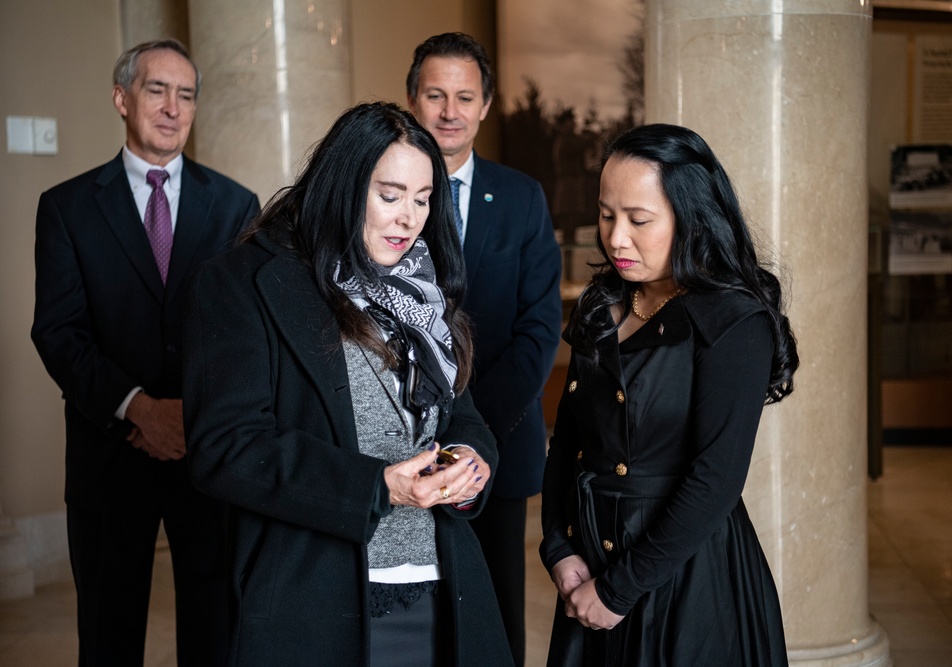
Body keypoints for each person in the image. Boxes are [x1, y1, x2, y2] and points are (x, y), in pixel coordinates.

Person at [182, 101, 514, 667]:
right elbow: (226, 448)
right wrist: (378, 487)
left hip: (443, 587)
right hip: (317, 598)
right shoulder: (241, 282)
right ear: (342, 187)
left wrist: (469, 459)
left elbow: (461, 415)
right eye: (390, 195)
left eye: (423, 199)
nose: (409, 218)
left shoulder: (422, 292)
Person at [30, 39, 259, 666]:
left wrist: (192, 414)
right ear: (121, 99)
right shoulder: (67, 208)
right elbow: (58, 332)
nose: (172, 107)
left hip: (206, 456)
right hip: (110, 460)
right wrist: (138, 409)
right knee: (108, 636)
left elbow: (247, 333)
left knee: (217, 634)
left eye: (186, 95)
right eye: (157, 89)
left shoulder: (236, 205)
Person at [539, 123, 799, 666]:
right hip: (589, 565)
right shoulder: (600, 304)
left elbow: (716, 481)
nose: (615, 238)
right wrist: (558, 548)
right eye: (607, 214)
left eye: (639, 220)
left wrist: (617, 590)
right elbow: (566, 442)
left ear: (691, 216)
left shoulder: (733, 321)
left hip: (685, 579)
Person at [407, 33, 563, 667]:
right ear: (412, 100)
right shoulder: (377, 190)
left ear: (486, 105)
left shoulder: (521, 197)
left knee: (496, 613)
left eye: (464, 97)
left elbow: (539, 330)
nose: (450, 111)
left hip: (497, 446)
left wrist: (472, 436)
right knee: (412, 610)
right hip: (395, 447)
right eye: (436, 95)